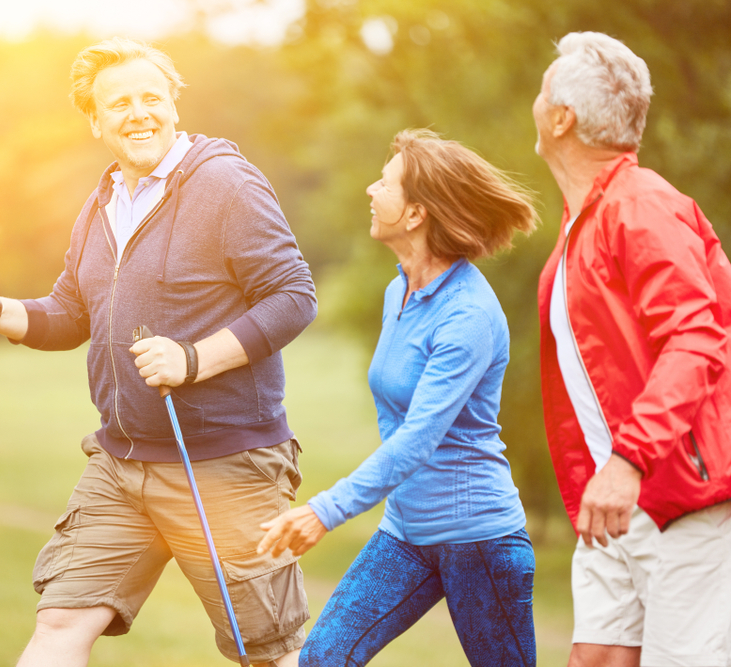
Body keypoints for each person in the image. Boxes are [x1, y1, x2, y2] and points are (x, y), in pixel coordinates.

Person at [0, 37, 316, 667]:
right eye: (119, 103)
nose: (139, 112)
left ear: (174, 102)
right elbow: (69, 315)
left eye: (151, 97)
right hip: (122, 466)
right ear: (95, 121)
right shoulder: (101, 204)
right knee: (60, 619)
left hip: (225, 465)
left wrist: (193, 360)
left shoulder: (225, 181)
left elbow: (292, 295)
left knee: (270, 652)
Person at [257, 128, 538, 666]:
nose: (370, 190)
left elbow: (418, 439)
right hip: (406, 532)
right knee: (322, 659)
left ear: (415, 215)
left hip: (478, 538)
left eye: (385, 184)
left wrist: (325, 509)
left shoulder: (468, 314)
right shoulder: (398, 290)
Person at [532, 32, 731, 667]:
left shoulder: (641, 206)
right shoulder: (582, 223)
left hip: (679, 497)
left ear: (562, 117)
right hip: (615, 504)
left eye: (543, 91)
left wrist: (629, 460)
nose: (535, 104)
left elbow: (696, 337)